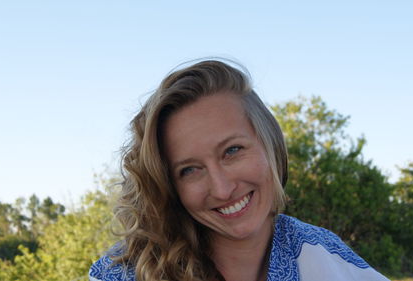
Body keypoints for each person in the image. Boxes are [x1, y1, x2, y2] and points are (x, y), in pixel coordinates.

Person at [89, 60, 389, 281]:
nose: (221, 189)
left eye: (232, 151)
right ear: (170, 185)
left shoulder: (331, 263)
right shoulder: (125, 273)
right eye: (190, 170)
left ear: (270, 143)